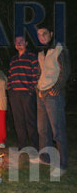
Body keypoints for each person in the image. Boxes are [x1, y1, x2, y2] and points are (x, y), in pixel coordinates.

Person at [31, 25, 71, 177]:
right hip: (40, 93)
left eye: (44, 33)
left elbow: (66, 70)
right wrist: (37, 86)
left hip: (54, 95)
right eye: (39, 34)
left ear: (51, 34)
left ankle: (63, 163)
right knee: (42, 130)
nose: (42, 37)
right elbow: (41, 72)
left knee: (57, 130)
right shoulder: (41, 52)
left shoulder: (60, 48)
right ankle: (44, 157)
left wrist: (57, 87)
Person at [7, 36, 39, 151]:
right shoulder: (13, 59)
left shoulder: (32, 57)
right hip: (14, 94)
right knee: (18, 120)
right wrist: (10, 89)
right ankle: (22, 144)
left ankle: (35, 145)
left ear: (26, 43)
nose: (19, 43)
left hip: (27, 93)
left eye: (21, 41)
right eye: (16, 42)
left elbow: (35, 75)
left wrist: (31, 91)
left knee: (30, 119)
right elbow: (10, 76)